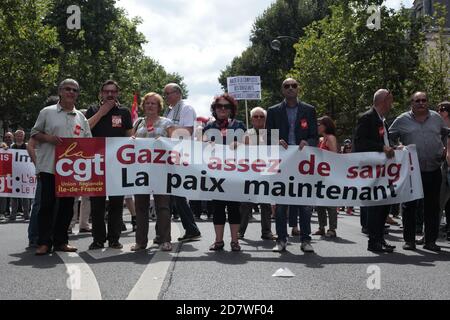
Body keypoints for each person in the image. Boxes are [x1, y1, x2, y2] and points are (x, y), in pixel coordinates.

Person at [31, 79, 91, 255]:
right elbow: (34, 133)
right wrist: (48, 138)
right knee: (46, 205)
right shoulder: (47, 112)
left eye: (75, 90)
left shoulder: (81, 117)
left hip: (71, 170)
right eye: (67, 89)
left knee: (67, 207)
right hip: (49, 167)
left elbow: (89, 140)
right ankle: (43, 242)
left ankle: (61, 241)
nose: (71, 92)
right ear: (60, 91)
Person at [389, 92, 447, 252]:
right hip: (412, 170)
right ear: (411, 103)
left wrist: (443, 149)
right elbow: (389, 136)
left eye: (424, 100)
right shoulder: (402, 120)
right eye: (417, 101)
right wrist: (397, 147)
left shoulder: (436, 118)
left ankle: (430, 241)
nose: (421, 103)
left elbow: (445, 133)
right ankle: (409, 240)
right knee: (409, 205)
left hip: (434, 168)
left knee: (433, 207)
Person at [266, 78, 318, 253]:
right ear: (282, 90)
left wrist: (307, 141)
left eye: (293, 86)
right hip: (282, 163)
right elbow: (268, 139)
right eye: (286, 86)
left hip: (302, 163)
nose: (290, 88)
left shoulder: (309, 110)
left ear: (298, 89)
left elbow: (314, 136)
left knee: (304, 203)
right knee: (281, 205)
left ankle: (305, 240)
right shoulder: (273, 111)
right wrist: (276, 141)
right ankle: (281, 239)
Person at [86, 80, 133, 250]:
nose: (110, 95)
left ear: (117, 93)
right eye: (106, 91)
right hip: (97, 163)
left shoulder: (124, 112)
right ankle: (98, 239)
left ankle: (114, 238)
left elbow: (130, 136)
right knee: (97, 203)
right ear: (101, 93)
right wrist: (102, 112)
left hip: (117, 164)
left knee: (116, 203)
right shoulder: (92, 110)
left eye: (113, 91)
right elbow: (85, 128)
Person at [353, 89, 396, 253]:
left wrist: (394, 146)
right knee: (375, 207)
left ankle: (380, 239)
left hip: (384, 171)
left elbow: (384, 141)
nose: (391, 104)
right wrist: (382, 147)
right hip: (372, 171)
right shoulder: (367, 118)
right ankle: (373, 241)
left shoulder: (382, 120)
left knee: (384, 206)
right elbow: (360, 142)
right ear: (383, 101)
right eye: (390, 100)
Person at [130, 92, 173, 252]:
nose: (150, 106)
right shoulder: (138, 122)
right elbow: (129, 141)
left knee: (163, 206)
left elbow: (174, 143)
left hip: (161, 170)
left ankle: (165, 240)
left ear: (159, 106)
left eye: (153, 103)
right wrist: (132, 140)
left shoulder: (167, 123)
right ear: (143, 105)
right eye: (147, 103)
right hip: (141, 171)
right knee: (141, 206)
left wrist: (164, 142)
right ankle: (140, 242)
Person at [203, 93, 246, 251]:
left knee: (234, 207)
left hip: (234, 173)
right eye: (219, 106)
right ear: (214, 109)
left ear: (231, 109)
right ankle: (218, 241)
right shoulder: (209, 127)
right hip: (215, 174)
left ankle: (235, 241)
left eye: (226, 106)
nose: (222, 109)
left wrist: (238, 143)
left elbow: (247, 145)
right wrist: (207, 144)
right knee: (218, 207)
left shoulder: (239, 125)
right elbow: (201, 149)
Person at [162, 83, 201, 241]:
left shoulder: (186, 108)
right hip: (170, 154)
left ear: (178, 93)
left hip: (181, 154)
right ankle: (188, 228)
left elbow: (187, 131)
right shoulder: (170, 111)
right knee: (173, 194)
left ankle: (191, 229)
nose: (165, 97)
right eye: (164, 94)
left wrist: (167, 131)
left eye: (168, 94)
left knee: (178, 193)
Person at [238, 107, 275, 241]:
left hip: (267, 173)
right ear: (252, 119)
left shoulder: (272, 134)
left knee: (266, 204)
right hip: (250, 173)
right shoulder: (246, 134)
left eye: (261, 117)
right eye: (256, 117)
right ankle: (240, 231)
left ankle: (266, 232)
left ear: (265, 119)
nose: (259, 119)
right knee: (246, 204)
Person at [314, 116, 339, 238]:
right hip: (319, 174)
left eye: (319, 124)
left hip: (329, 174)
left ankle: (332, 228)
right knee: (320, 202)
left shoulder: (330, 138)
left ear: (326, 125)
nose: (317, 126)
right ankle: (321, 227)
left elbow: (334, 156)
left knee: (330, 202)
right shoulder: (320, 139)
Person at [9, 130, 31, 221]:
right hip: (14, 173)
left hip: (24, 173)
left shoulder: (27, 146)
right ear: (15, 136)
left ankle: (26, 214)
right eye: (18, 135)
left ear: (23, 136)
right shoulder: (11, 147)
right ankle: (13, 215)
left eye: (21, 135)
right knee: (14, 195)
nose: (19, 137)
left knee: (25, 195)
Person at [437, 101, 450, 241]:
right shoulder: (438, 128)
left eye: (442, 109)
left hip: (448, 167)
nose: (439, 112)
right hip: (443, 167)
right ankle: (431, 233)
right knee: (438, 203)